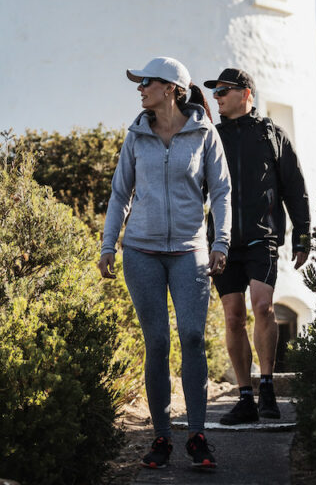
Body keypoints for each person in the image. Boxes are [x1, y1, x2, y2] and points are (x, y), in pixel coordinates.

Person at [98, 56, 231, 470]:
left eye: (147, 83)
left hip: (191, 252)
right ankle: (160, 436)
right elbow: (121, 194)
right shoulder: (136, 136)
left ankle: (196, 434)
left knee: (192, 337)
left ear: (172, 88)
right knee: (156, 343)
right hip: (141, 251)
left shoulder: (205, 134)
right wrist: (109, 245)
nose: (140, 89)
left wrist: (220, 241)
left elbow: (222, 191)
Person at [202, 67, 311, 424]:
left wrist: (303, 234)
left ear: (246, 93)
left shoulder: (271, 134)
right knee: (233, 317)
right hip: (222, 241)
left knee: (262, 306)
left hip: (262, 237)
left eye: (224, 90)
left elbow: (294, 185)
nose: (218, 97)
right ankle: (245, 395)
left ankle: (267, 388)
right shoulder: (212, 138)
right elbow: (194, 188)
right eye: (214, 93)